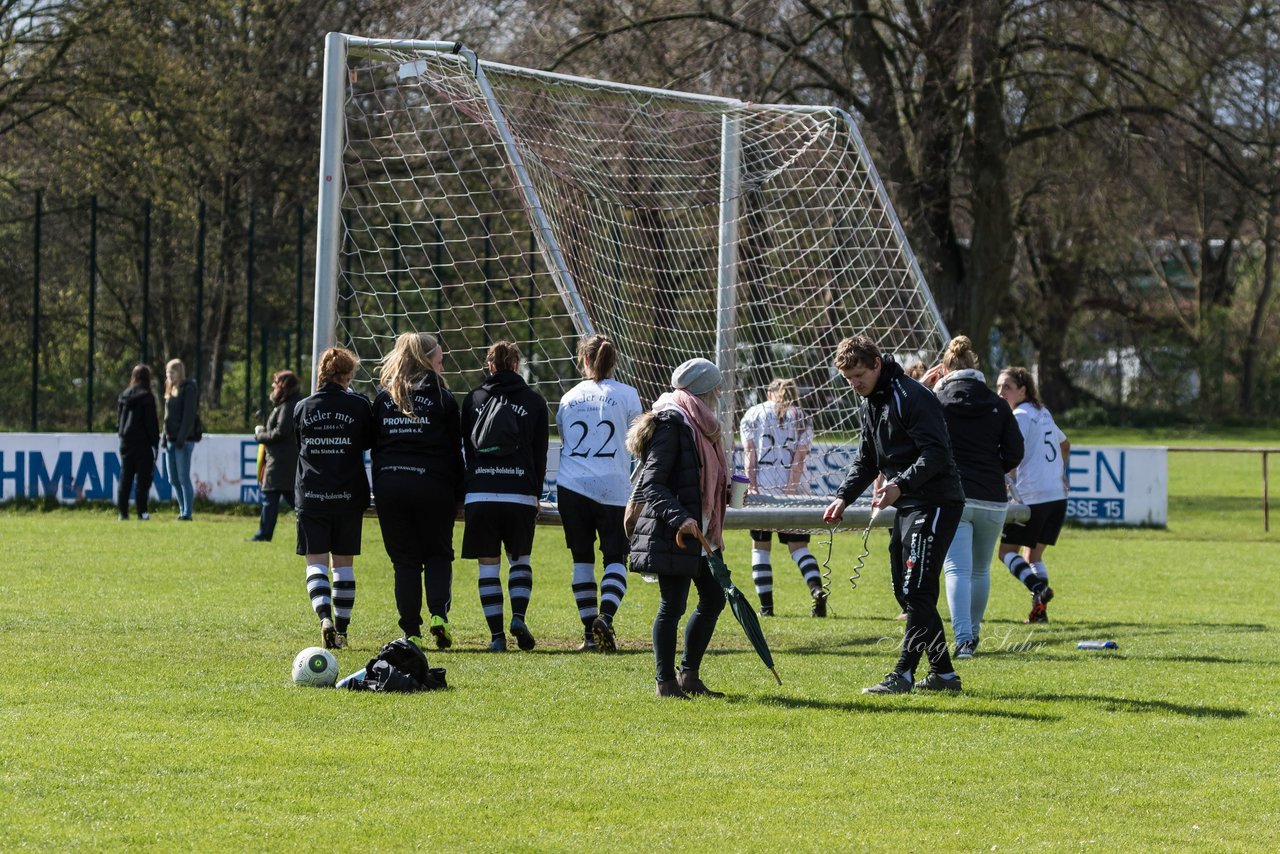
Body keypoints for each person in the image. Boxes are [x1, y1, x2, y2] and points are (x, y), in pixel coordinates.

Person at [822, 336, 966, 695]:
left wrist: (900, 483)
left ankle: (902, 673)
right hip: (907, 503)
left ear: (875, 364)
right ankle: (944, 675)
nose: (854, 384)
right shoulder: (872, 401)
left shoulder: (911, 395)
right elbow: (868, 459)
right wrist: (843, 497)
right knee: (908, 593)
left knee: (917, 590)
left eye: (858, 375)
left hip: (935, 502)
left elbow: (936, 454)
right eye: (847, 379)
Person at [627, 358, 729, 699]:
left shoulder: (698, 422)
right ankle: (665, 682)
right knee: (673, 605)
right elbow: (653, 485)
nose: (719, 393)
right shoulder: (672, 422)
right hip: (673, 529)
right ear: (703, 389)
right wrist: (680, 517)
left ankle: (689, 676)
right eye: (716, 387)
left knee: (714, 598)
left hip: (699, 530)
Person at [927, 337, 1024, 658]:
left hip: (955, 495)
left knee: (956, 570)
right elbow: (1015, 452)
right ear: (975, 368)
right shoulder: (997, 403)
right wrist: (992, 468)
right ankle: (974, 635)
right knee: (981, 570)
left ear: (944, 368)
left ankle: (964, 638)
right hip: (993, 498)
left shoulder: (937, 400)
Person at [372, 332, 464, 651]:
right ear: (428, 360)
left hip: (391, 487)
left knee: (405, 562)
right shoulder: (443, 397)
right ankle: (439, 616)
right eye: (439, 359)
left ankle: (411, 632)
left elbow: (376, 446)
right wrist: (459, 493)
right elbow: (456, 449)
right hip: (433, 485)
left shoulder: (385, 398)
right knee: (438, 554)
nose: (443, 364)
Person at [555, 333, 643, 652]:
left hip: (572, 487)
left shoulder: (568, 397)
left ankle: (589, 636)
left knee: (581, 559)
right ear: (613, 360)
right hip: (614, 487)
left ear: (584, 360)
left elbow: (565, 438)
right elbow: (640, 442)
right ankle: (605, 617)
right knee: (615, 558)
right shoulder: (629, 395)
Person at [460, 341, 550, 652]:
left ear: (489, 366)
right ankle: (519, 617)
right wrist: (535, 494)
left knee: (488, 566)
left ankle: (497, 637)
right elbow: (540, 456)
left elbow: (466, 451)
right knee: (520, 560)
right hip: (520, 495)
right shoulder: (535, 402)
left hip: (480, 494)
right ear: (516, 366)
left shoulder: (472, 399)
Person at [294, 346, 374, 650]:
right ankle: (341, 631)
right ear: (348, 374)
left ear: (321, 373)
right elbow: (368, 441)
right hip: (347, 494)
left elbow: (299, 442)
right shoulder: (358, 404)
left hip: (312, 494)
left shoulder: (303, 406)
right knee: (342, 565)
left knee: (315, 562)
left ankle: (324, 617)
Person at [738, 378, 825, 616]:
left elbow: (749, 453)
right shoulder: (802, 417)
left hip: (763, 491)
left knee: (760, 548)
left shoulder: (753, 414)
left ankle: (766, 608)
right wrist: (790, 490)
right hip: (794, 492)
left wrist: (752, 485)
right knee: (799, 547)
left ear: (769, 394)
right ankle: (817, 590)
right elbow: (799, 459)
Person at [996, 366, 1070, 623]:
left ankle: (1038, 588)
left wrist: (1006, 480)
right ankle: (1040, 613)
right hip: (1057, 497)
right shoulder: (1043, 412)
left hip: (1033, 498)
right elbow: (1065, 444)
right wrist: (1061, 474)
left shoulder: (1020, 416)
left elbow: (1012, 455)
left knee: (1006, 552)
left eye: (1007, 387)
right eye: (998, 387)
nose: (1001, 392)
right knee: (1033, 556)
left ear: (1023, 390)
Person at [249, 370, 302, 542]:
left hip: (280, 462)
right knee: (293, 500)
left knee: (271, 499)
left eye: (276, 383)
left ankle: (263, 535)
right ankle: (308, 531)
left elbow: (280, 432)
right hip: (284, 461)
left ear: (284, 387)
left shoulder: (287, 406)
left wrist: (260, 435)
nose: (273, 386)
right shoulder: (289, 404)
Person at [116, 364, 160, 521]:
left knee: (125, 477)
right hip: (143, 442)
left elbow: (119, 420)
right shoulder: (147, 397)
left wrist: (121, 434)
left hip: (126, 441)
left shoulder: (124, 395)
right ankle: (142, 512)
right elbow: (151, 422)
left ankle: (123, 512)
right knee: (143, 479)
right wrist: (155, 441)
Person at [162, 358, 199, 521]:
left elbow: (188, 416)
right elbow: (166, 416)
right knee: (173, 478)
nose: (169, 375)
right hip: (170, 439)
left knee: (183, 476)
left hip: (183, 440)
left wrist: (181, 437)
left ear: (180, 372)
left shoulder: (188, 388)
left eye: (172, 371)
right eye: (167, 372)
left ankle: (187, 513)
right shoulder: (170, 388)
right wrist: (164, 435)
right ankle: (182, 508)